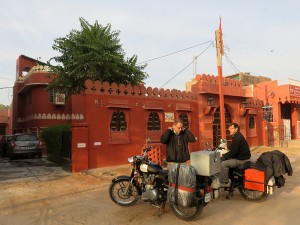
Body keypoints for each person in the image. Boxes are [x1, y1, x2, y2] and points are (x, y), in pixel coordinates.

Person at [219, 122, 251, 187]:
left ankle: (224, 182)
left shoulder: (237, 138)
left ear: (236, 129)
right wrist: (227, 147)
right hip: (243, 157)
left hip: (241, 160)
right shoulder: (238, 135)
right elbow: (235, 147)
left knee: (223, 164)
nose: (229, 129)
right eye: (229, 128)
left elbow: (232, 153)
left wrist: (222, 155)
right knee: (228, 160)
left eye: (231, 128)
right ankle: (231, 178)